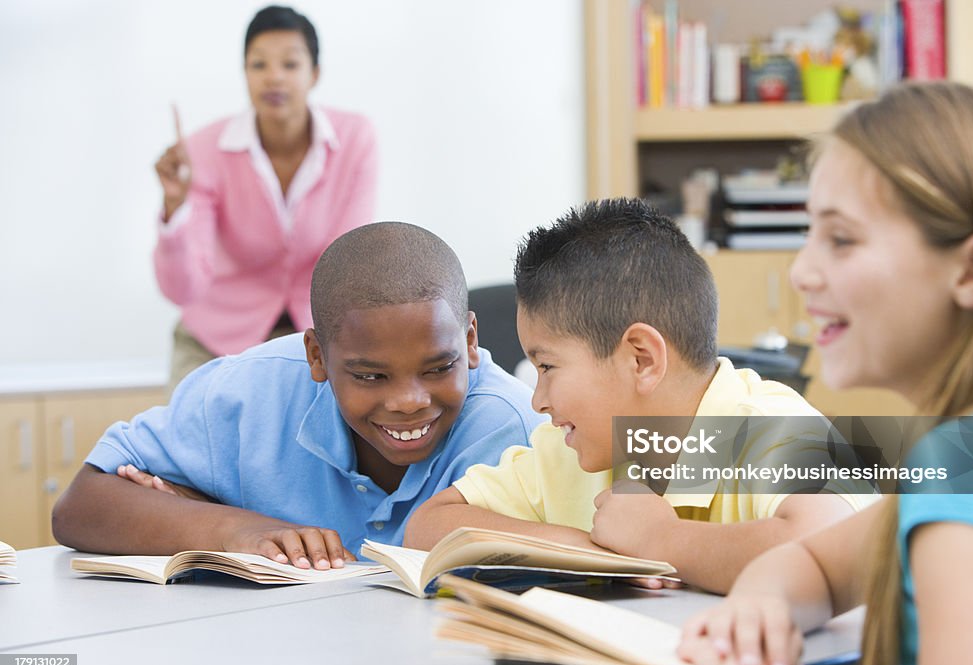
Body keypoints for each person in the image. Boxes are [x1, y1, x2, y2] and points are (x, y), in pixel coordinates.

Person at [676, 82, 973, 665]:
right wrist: (763, 604)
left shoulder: (970, 481)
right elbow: (814, 561)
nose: (802, 271)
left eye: (841, 239)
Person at [404, 198, 872, 594]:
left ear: (641, 359)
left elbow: (835, 549)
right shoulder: (573, 451)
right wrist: (586, 552)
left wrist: (659, 539)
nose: (538, 400)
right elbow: (429, 526)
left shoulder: (767, 424)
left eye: (547, 367)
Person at [52, 223, 545, 569]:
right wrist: (233, 529)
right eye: (371, 377)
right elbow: (81, 506)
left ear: (470, 341)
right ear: (317, 356)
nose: (409, 401)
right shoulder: (245, 392)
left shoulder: (520, 427)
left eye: (439, 368)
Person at [154, 5, 377, 389]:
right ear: (244, 73)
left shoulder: (354, 139)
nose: (273, 77)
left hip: (314, 338)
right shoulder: (205, 151)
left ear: (314, 74)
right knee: (189, 441)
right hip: (216, 339)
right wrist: (176, 208)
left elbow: (347, 259)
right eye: (258, 65)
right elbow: (181, 290)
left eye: (289, 64)